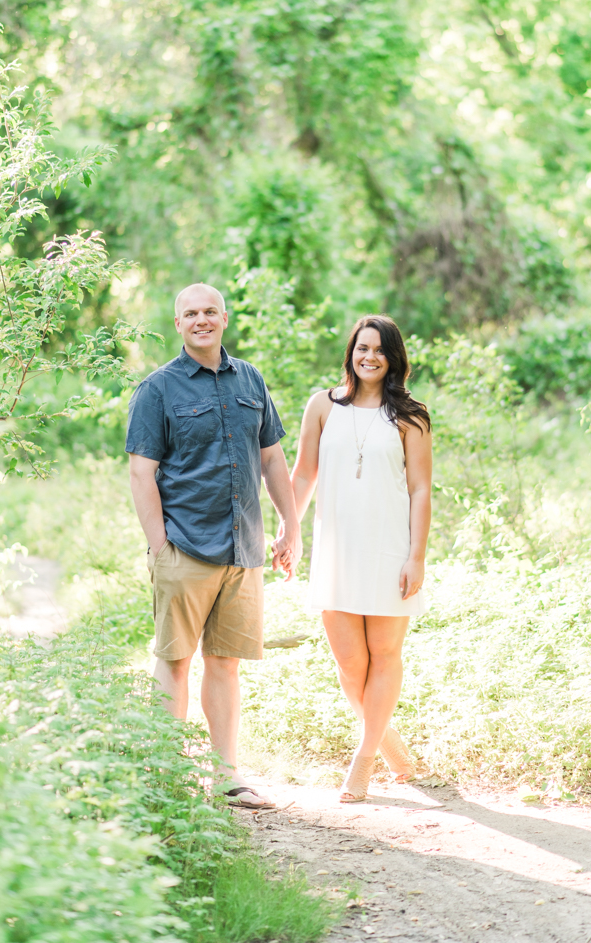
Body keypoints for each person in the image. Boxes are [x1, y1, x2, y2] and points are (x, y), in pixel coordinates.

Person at [126, 282, 301, 809]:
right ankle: (166, 778)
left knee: (225, 664)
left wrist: (290, 525)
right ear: (178, 324)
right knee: (175, 662)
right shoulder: (157, 390)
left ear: (224, 318)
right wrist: (159, 547)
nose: (201, 320)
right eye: (190, 314)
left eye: (209, 312)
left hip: (242, 550)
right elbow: (141, 472)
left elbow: (271, 458)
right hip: (184, 546)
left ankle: (227, 779)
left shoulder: (250, 379)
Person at [291, 314, 432, 803]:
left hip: (390, 548)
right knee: (350, 663)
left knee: (386, 655)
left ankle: (365, 758)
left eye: (379, 349)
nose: (369, 356)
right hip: (336, 549)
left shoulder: (410, 417)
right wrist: (290, 533)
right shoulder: (322, 406)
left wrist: (416, 556)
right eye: (361, 347)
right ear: (350, 351)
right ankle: (390, 742)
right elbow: (303, 475)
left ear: (393, 358)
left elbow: (419, 489)